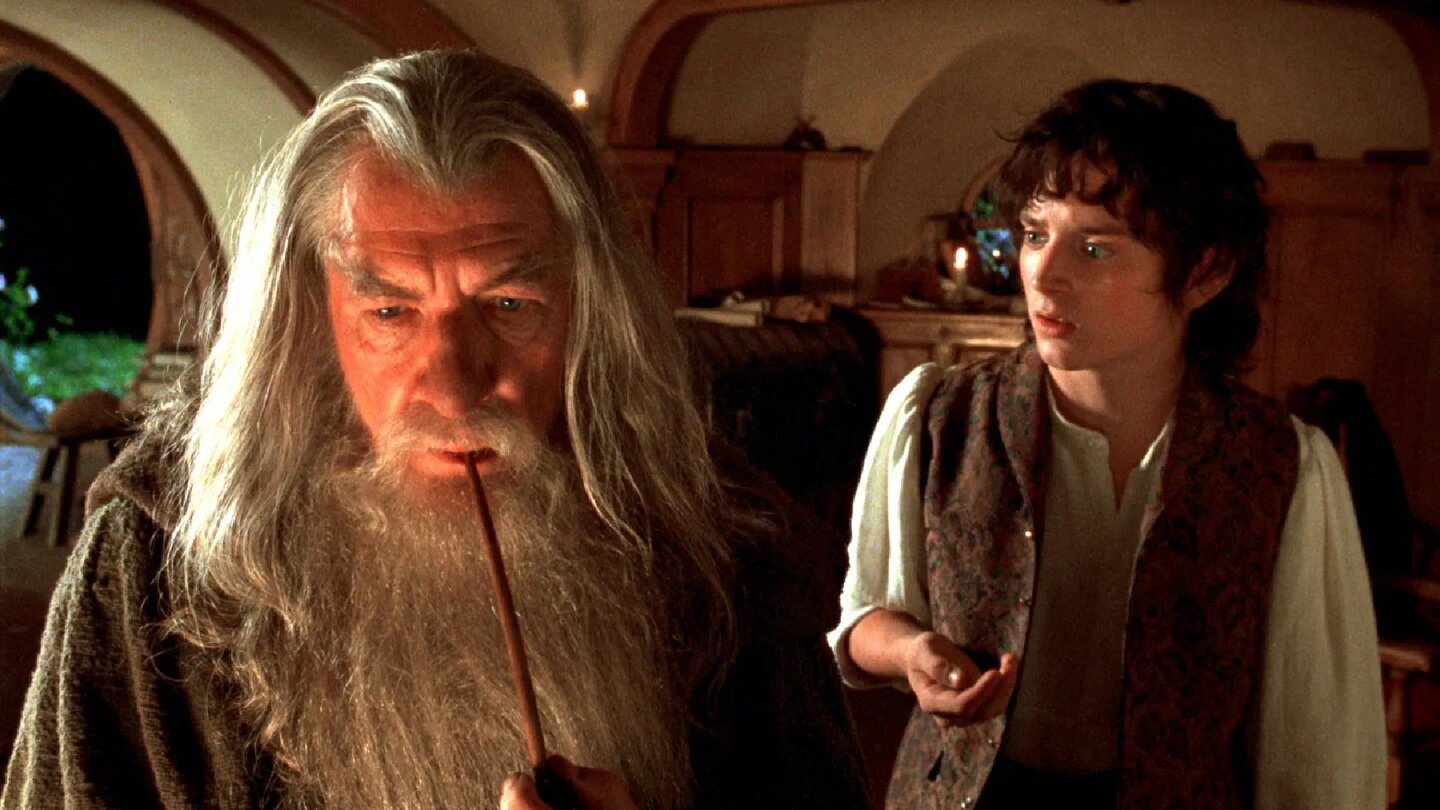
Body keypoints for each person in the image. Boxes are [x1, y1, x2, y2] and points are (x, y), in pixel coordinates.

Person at [2, 50, 868, 809]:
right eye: (390, 311)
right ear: (307, 325)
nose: (455, 391)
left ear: (591, 311)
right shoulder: (155, 567)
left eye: (509, 304)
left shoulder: (724, 555)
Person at [829, 79, 1386, 808]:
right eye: (1035, 234)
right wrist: (911, 651)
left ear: (1206, 271)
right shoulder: (938, 413)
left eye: (1094, 248)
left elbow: (1314, 746)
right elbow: (864, 615)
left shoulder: (1279, 463)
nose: (1043, 272)